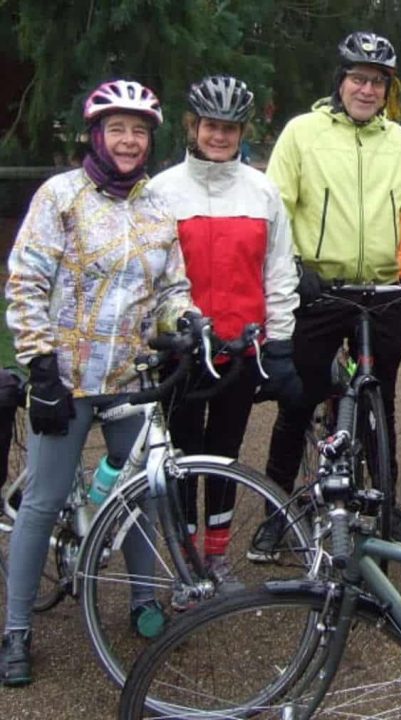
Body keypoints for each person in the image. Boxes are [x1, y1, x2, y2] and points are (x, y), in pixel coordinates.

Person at [1, 79, 196, 685]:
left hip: (128, 378)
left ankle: (141, 599)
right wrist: (39, 365)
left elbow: (170, 290)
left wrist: (187, 322)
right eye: (118, 129)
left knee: (140, 492)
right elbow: (26, 282)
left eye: (139, 131)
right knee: (43, 501)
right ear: (97, 135)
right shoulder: (61, 196)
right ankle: (15, 630)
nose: (130, 140)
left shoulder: (156, 207)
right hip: (64, 380)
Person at [263, 31, 401, 548]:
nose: (367, 90)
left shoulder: (399, 142)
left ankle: (382, 504)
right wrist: (292, 265)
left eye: (378, 82)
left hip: (380, 289)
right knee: (299, 399)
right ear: (340, 81)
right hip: (319, 287)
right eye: (359, 79)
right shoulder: (303, 132)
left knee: (379, 402)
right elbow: (274, 207)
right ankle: (275, 510)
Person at [146, 75, 299, 570]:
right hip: (181, 349)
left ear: (241, 132)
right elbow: (147, 275)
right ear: (193, 127)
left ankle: (217, 559)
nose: (220, 136)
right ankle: (187, 561)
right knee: (184, 457)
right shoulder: (161, 191)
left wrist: (279, 342)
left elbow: (278, 271)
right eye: (211, 126)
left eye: (230, 128)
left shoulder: (262, 191)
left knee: (225, 457)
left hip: (240, 348)